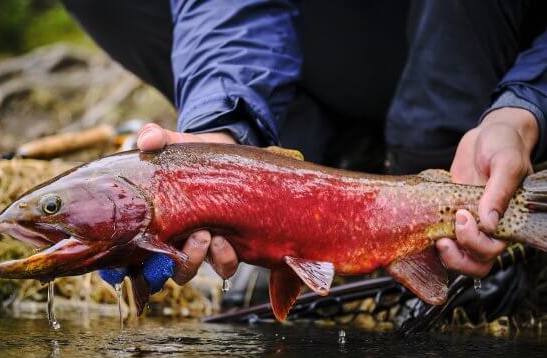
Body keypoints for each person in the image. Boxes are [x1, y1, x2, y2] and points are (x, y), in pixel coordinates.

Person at [63, 0, 547, 291]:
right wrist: (223, 132)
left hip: (493, 47)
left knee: (432, 128)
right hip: (345, 43)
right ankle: (301, 142)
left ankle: (434, 147)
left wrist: (524, 106)